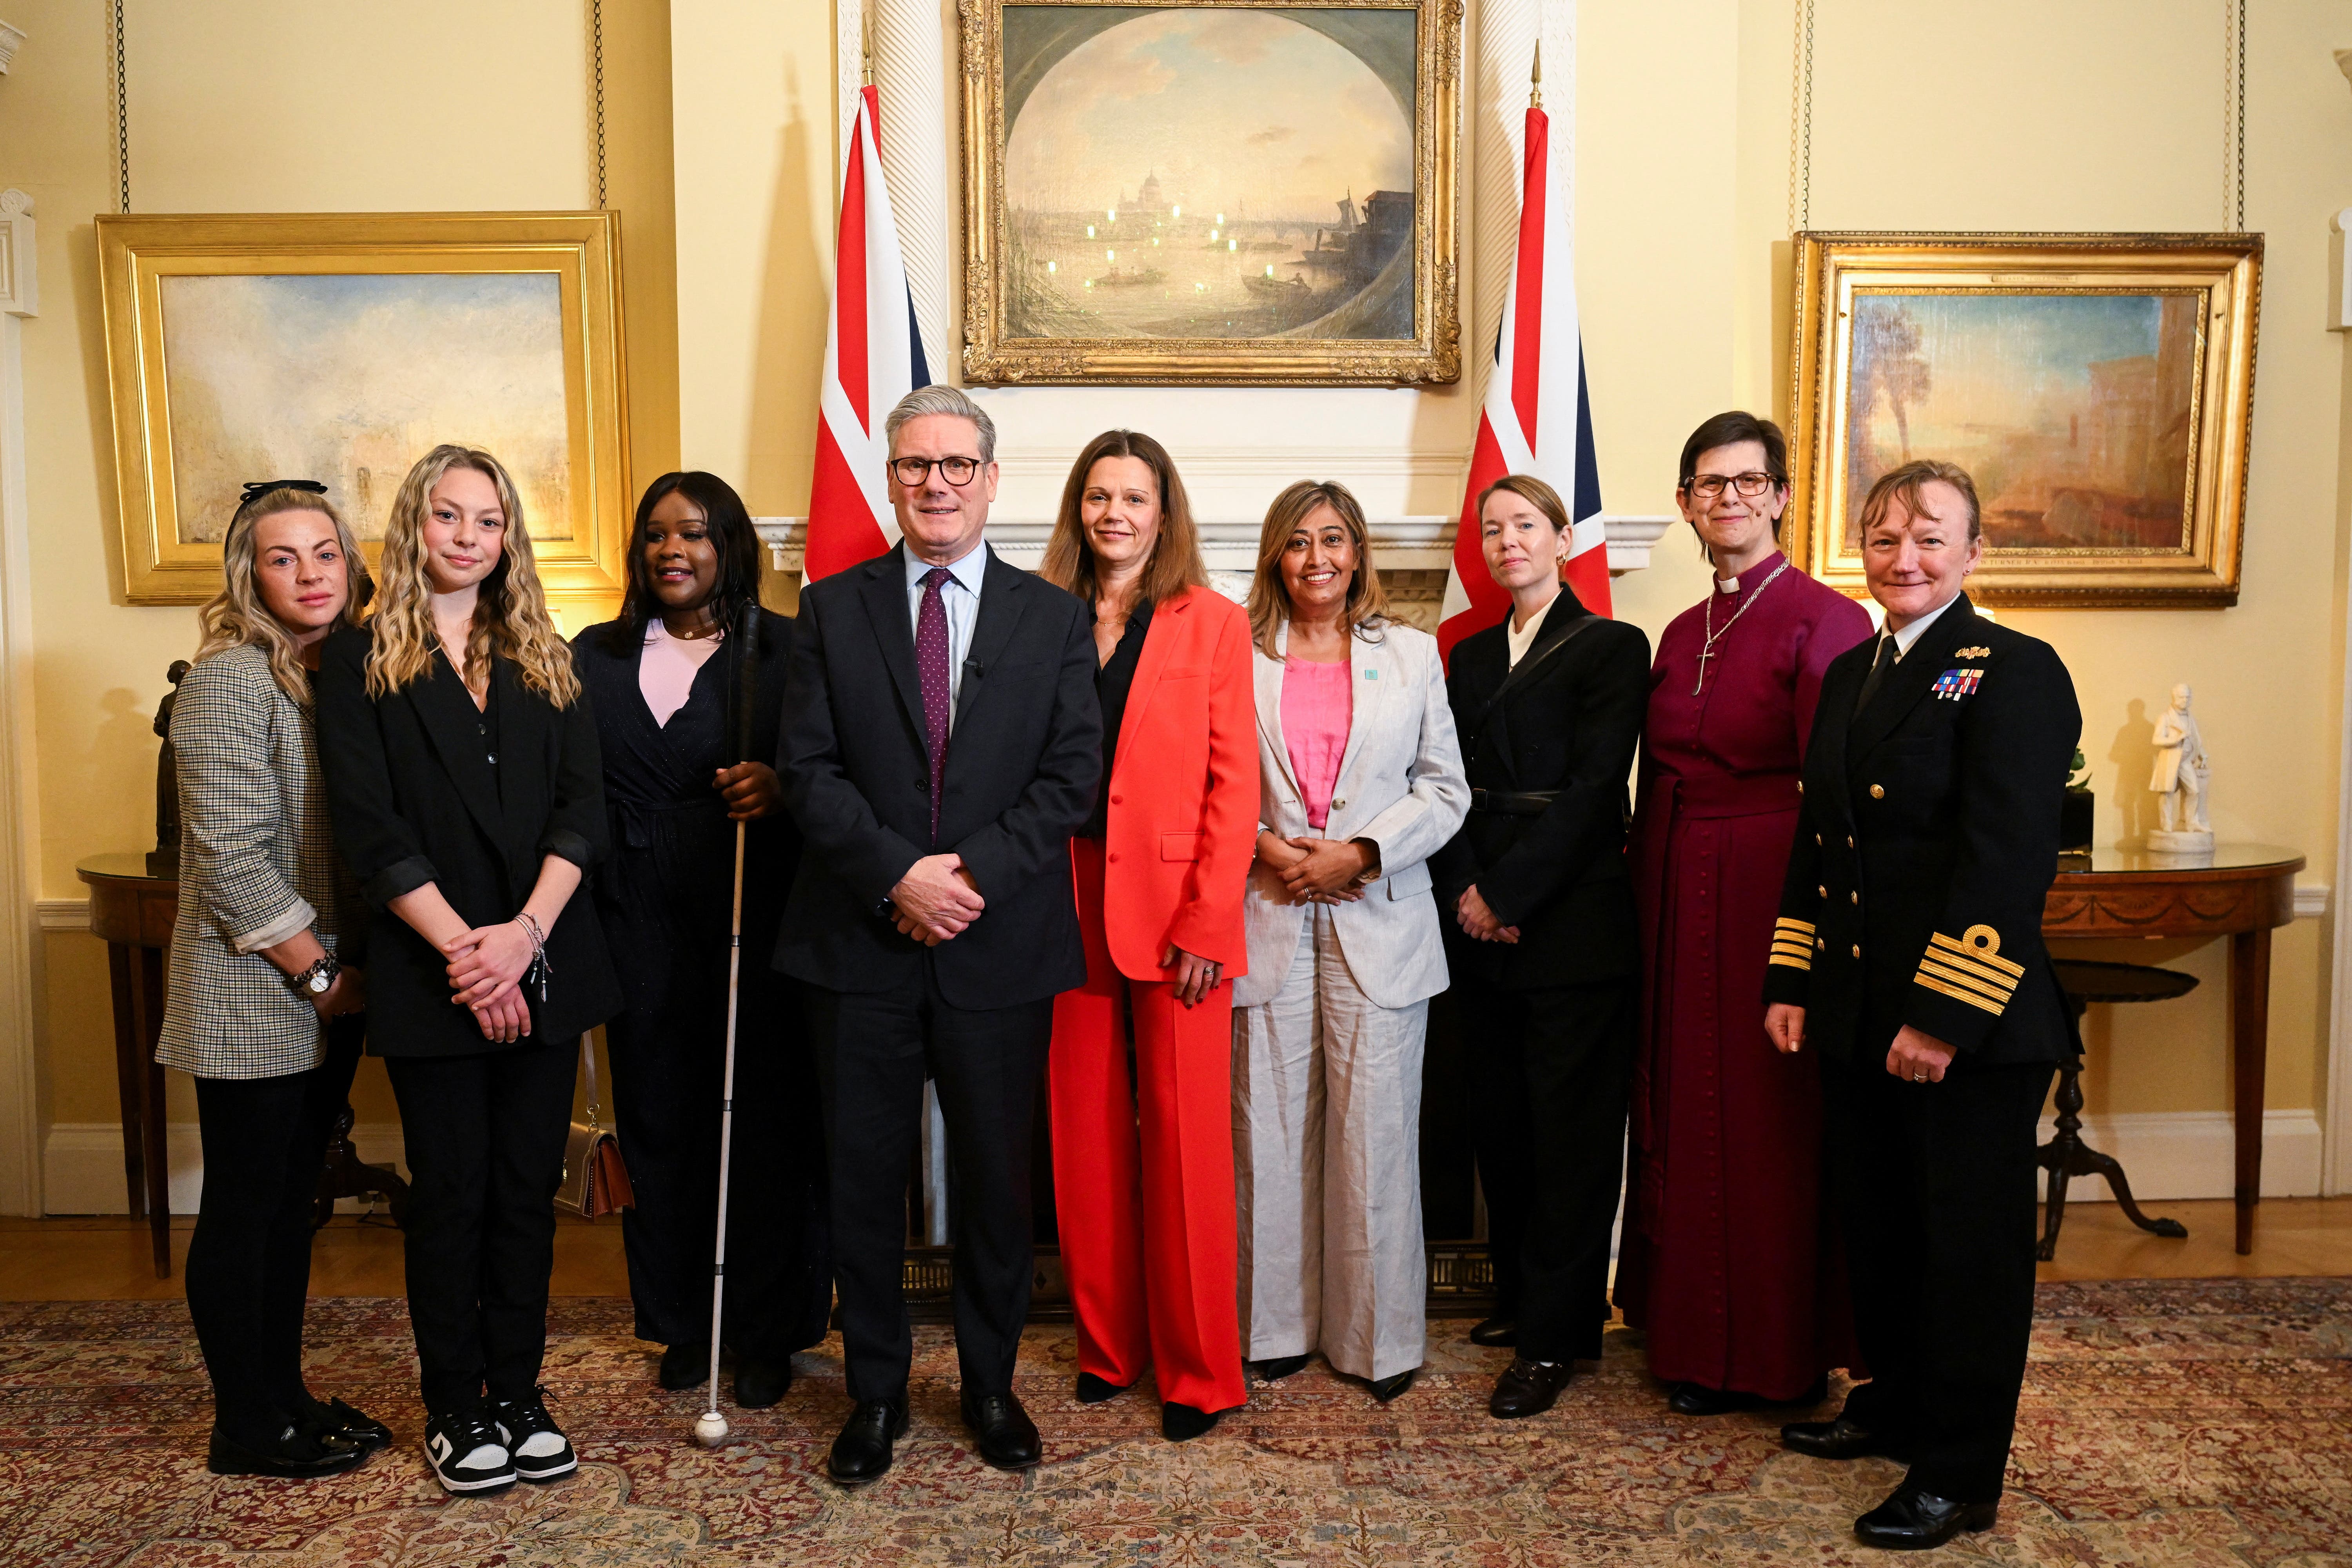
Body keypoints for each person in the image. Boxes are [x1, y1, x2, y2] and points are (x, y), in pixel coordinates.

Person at [776, 384, 1098, 1486]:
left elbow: (1072, 779)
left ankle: (991, 1386)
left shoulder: (1051, 616)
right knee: (862, 1183)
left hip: (998, 943)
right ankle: (875, 1394)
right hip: (857, 948)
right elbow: (807, 775)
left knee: (999, 1189)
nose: (937, 484)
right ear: (892, 480)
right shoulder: (830, 609)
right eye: (916, 466)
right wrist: (896, 878)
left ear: (991, 480)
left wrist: (965, 878)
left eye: (957, 466)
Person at [1764, 459, 2080, 1550]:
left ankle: (1958, 1474)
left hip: (1963, 1029)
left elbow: (2006, 861)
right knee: (1884, 1233)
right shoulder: (1856, 671)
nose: (1905, 558)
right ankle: (1896, 1404)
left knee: (1967, 1257)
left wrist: (1943, 1018)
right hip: (1857, 1014)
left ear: (1975, 553)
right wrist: (1795, 980)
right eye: (1885, 537)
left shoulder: (2015, 672)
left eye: (1931, 539)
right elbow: (1822, 841)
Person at [315, 444, 620, 1496]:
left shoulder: (550, 655)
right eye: (447, 517)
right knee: (452, 1193)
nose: (466, 537)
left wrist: (524, 940)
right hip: (432, 968)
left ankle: (518, 1393)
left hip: (543, 957)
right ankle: (455, 1403)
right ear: (414, 528)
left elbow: (586, 810)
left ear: (508, 539)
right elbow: (371, 831)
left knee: (526, 1192)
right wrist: (467, 952)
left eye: (487, 521)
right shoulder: (358, 666)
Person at [1615, 413, 1873, 1416]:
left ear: (1780, 495)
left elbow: (1837, 801)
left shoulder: (1826, 619)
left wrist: (1803, 952)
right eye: (1707, 484)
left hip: (1772, 890)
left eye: (1746, 481)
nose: (1726, 498)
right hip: (1679, 891)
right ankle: (1692, 1341)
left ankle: (1775, 1354)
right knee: (1682, 1105)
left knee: (1768, 1125)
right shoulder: (1682, 630)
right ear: (1685, 503)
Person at [573, 472, 830, 1411]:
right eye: (654, 535)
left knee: (761, 1121)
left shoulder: (788, 650)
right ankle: (684, 1317)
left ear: (730, 544)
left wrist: (782, 786)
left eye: (693, 532)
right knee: (660, 1115)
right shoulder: (591, 655)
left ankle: (766, 1328)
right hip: (629, 910)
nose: (672, 550)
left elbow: (838, 772)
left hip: (750, 908)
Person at [158, 481, 387, 1478]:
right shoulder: (228, 680)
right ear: (249, 574)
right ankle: (245, 1424)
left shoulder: (337, 674)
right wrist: (327, 976)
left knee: (294, 1200)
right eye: (284, 557)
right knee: (248, 1208)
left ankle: (283, 1393)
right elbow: (230, 858)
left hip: (323, 989)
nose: (309, 574)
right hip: (258, 989)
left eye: (326, 553)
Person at [1038, 430, 1256, 1441]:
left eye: (1134, 497)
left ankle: (1200, 1372)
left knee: (1186, 1146)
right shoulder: (1038, 618)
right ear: (1078, 510)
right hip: (1062, 899)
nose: (1115, 514)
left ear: (1165, 514)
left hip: (1179, 914)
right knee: (1081, 1138)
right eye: (1099, 496)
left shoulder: (1210, 622)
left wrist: (1212, 916)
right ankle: (1106, 1348)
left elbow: (1232, 780)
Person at [1231, 480, 1467, 1404]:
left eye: (1334, 540)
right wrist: (1265, 844)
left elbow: (1445, 787)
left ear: (1360, 553)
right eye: (1297, 542)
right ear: (1275, 558)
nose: (1317, 558)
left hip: (1381, 917)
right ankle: (1277, 1329)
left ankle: (1378, 1338)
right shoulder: (1238, 656)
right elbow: (1214, 777)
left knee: (1375, 1138)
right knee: (1271, 1129)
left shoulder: (1411, 655)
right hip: (1270, 907)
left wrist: (1362, 851)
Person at [1432, 474, 1650, 1420]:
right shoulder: (1470, 655)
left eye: (1526, 524)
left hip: (1575, 921)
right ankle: (1524, 1294)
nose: (1507, 540)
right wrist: (1471, 893)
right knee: (1504, 1125)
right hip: (1481, 914)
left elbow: (1599, 788)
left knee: (1571, 1136)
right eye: (1493, 528)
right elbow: (1445, 781)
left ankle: (1559, 1334)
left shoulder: (1611, 645)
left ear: (1564, 538)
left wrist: (1511, 892)